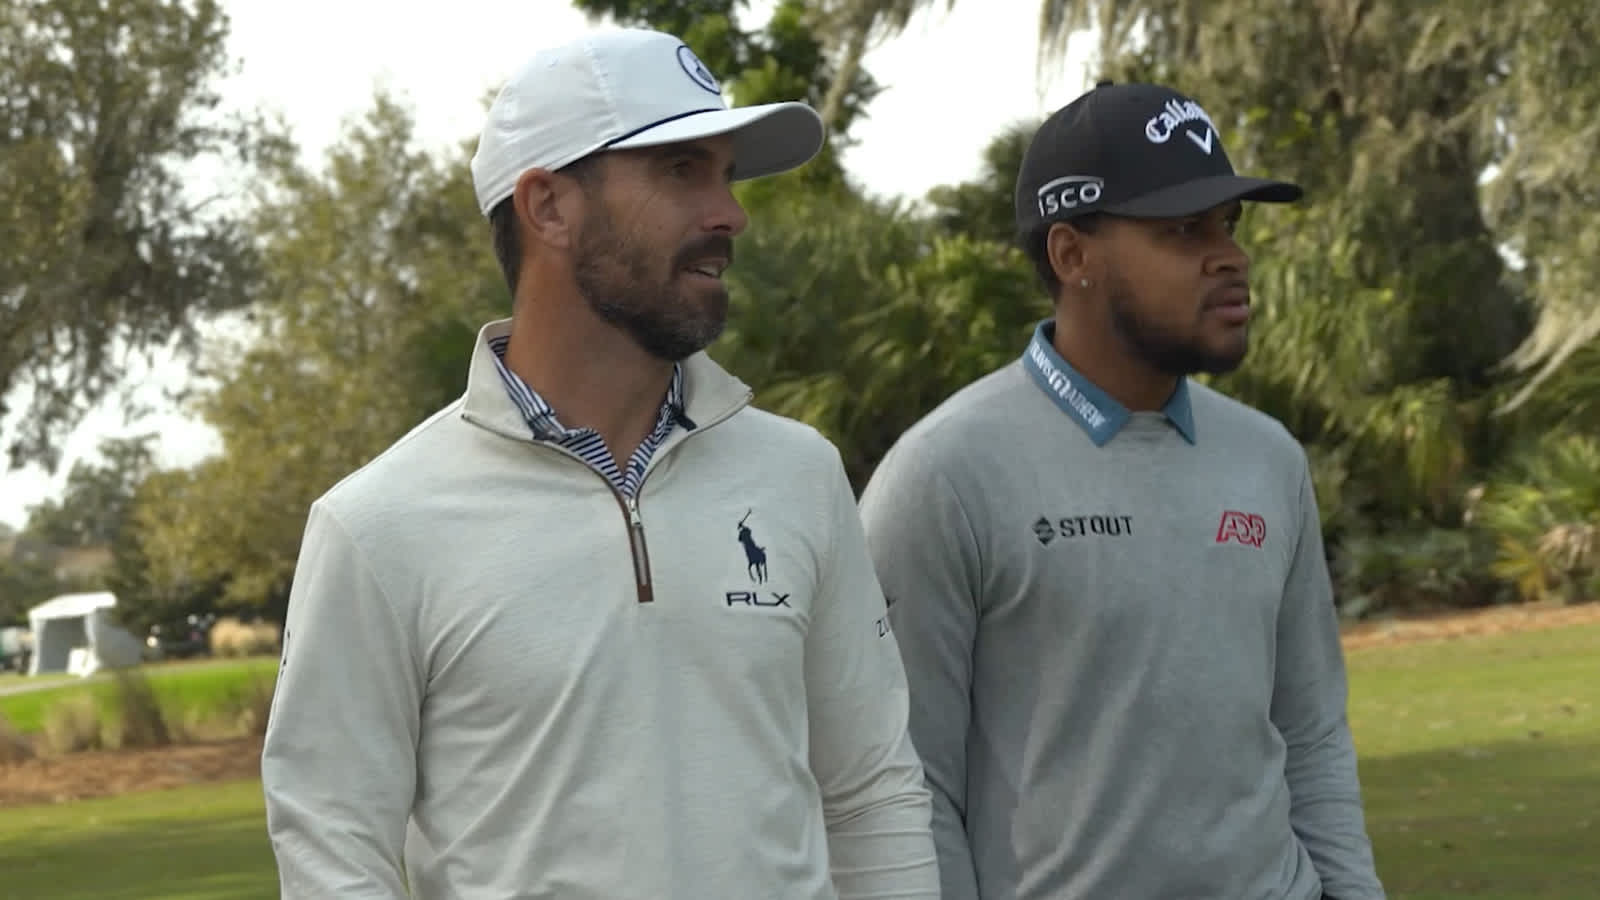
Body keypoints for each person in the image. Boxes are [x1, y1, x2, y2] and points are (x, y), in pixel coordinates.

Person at [260, 27, 938, 900]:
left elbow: (872, 792)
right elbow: (332, 850)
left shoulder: (800, 474)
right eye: (681, 170)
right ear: (548, 206)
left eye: (726, 175)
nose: (729, 214)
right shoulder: (376, 526)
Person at [858, 81, 1387, 900]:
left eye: (1229, 225)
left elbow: (1311, 733)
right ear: (1073, 256)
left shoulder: (1269, 460)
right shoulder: (943, 474)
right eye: (1183, 230)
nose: (1231, 257)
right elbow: (906, 784)